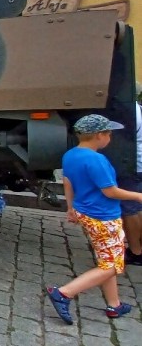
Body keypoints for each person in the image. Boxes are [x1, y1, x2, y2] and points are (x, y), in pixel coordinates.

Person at [47, 114, 142, 324]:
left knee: (106, 258)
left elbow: (68, 181)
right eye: (109, 133)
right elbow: (110, 191)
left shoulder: (70, 155)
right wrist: (137, 196)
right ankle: (63, 293)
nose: (111, 137)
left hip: (86, 214)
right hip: (104, 217)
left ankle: (114, 305)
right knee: (111, 265)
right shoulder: (97, 160)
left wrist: (71, 208)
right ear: (99, 135)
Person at [118, 91, 142, 265]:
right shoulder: (135, 107)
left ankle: (135, 251)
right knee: (136, 206)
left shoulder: (126, 109)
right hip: (138, 162)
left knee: (129, 209)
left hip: (132, 163)